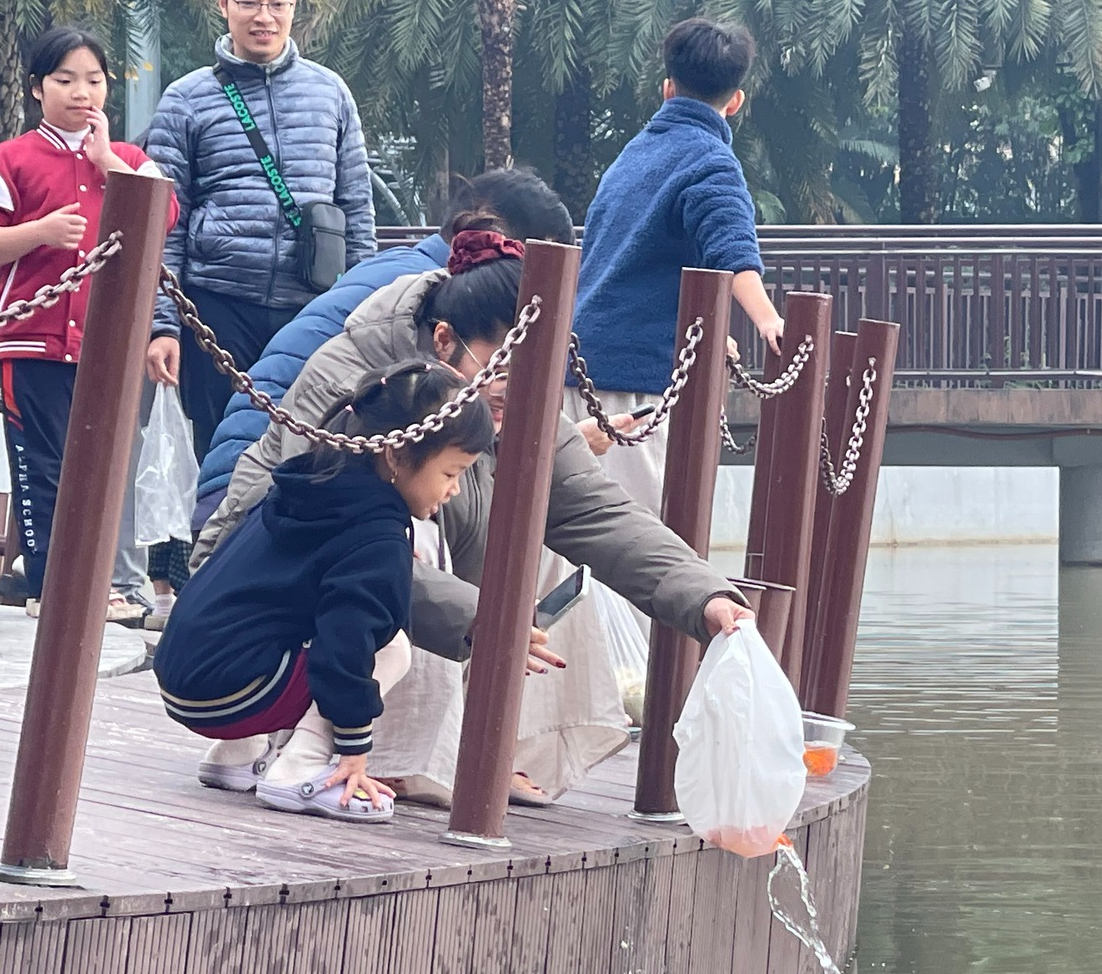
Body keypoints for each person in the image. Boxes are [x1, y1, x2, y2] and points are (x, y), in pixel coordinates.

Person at [191, 221, 751, 794]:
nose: (515, 388)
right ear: (442, 342)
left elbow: (597, 515)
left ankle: (469, 749)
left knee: (541, 550)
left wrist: (704, 597)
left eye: (536, 371)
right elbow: (325, 546)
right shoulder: (361, 378)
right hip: (261, 611)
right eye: (502, 367)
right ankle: (365, 756)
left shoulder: (516, 399)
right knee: (405, 544)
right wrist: (484, 619)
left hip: (302, 622)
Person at [156, 363, 493, 822]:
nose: (453, 490)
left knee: (283, 617)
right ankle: (302, 768)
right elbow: (348, 645)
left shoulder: (307, 481)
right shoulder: (376, 534)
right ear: (395, 455)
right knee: (391, 647)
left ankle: (234, 757)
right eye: (451, 472)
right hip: (237, 693)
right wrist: (352, 751)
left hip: (183, 679)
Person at [192, 168, 590, 536]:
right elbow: (327, 507)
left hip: (253, 460)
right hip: (251, 489)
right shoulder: (420, 303)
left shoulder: (418, 283)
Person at [0, 26, 177, 622]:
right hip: (30, 343)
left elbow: (166, 215)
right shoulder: (7, 160)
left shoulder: (130, 160)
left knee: (98, 464)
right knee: (41, 463)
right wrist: (41, 233)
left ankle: (86, 583)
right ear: (36, 89)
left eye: (94, 80)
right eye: (65, 79)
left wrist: (108, 162)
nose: (82, 92)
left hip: (104, 348)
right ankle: (50, 584)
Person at [143, 0, 375, 458]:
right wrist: (163, 325)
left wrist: (361, 314)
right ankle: (215, 540)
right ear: (223, 4)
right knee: (220, 450)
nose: (264, 17)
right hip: (215, 306)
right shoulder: (185, 99)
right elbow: (164, 227)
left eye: (277, 3)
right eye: (249, 2)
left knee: (309, 450)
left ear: (296, 4)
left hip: (312, 307)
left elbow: (356, 211)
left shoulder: (331, 93)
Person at [569, 18, 785, 514]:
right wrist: (768, 321)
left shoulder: (633, 153)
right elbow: (733, 253)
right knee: (638, 539)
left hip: (578, 363)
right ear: (735, 103)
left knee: (573, 535)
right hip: (638, 380)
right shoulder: (711, 160)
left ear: (667, 89)